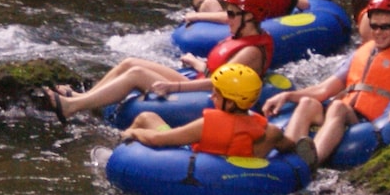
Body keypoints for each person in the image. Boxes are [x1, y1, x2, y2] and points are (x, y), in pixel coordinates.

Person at [41, 0, 277, 121]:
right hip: (200, 81)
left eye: (233, 14)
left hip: (205, 96)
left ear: (250, 17)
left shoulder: (250, 52)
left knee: (136, 73)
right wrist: (197, 64)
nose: (228, 19)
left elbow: (218, 85)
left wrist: (175, 87)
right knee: (129, 61)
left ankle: (72, 107)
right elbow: (220, 72)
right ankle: (88, 99)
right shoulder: (242, 36)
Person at [264, 0, 390, 168]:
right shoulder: (362, 52)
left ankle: (310, 164)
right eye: (375, 26)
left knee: (338, 106)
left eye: (386, 27)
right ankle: (287, 160)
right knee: (307, 103)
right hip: (346, 113)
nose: (378, 32)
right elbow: (324, 89)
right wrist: (288, 96)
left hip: (367, 122)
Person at [115, 63, 297, 157]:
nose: (211, 97)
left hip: (190, 160)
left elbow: (159, 139)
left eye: (216, 94)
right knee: (150, 118)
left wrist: (133, 133)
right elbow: (286, 144)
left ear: (231, 102)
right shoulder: (263, 128)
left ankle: (116, 152)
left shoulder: (209, 124)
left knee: (146, 117)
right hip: (237, 171)